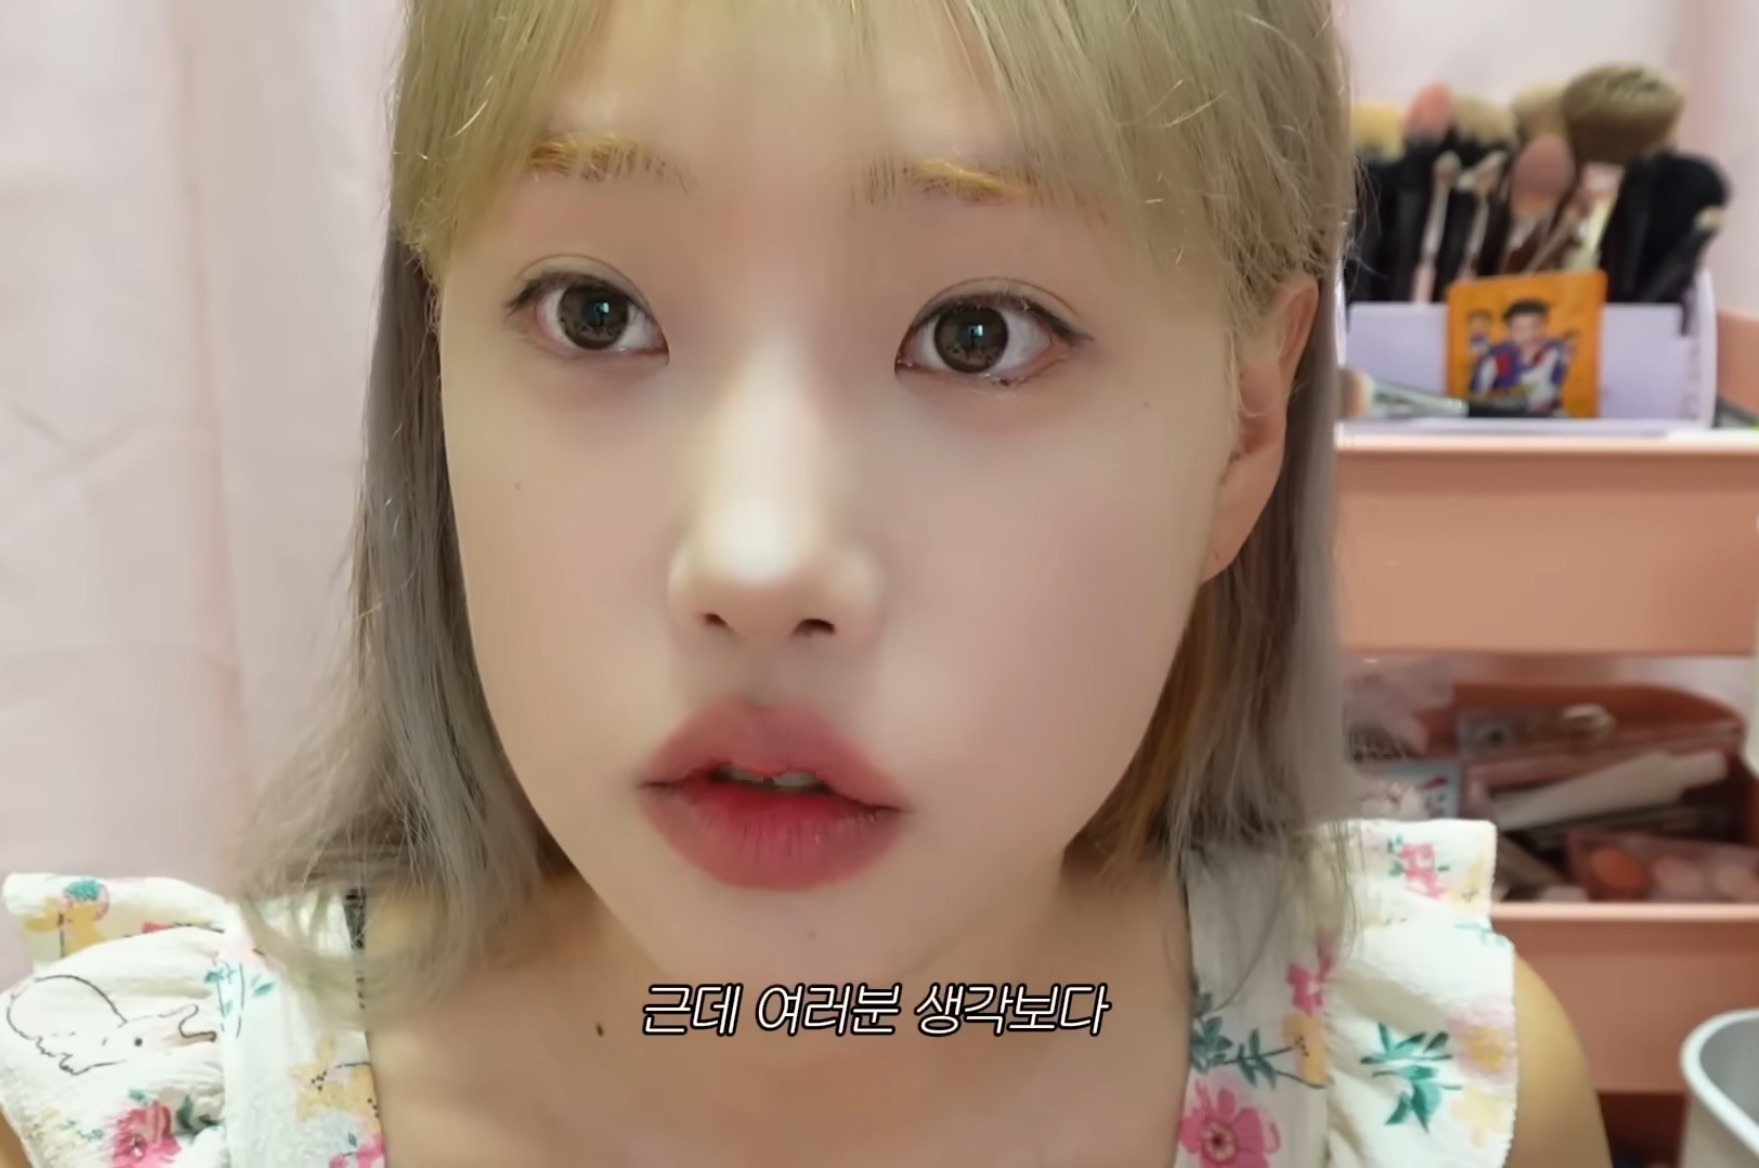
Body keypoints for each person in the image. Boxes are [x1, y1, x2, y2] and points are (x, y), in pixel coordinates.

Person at [1, 2, 1609, 1164]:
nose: (756, 565)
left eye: (977, 334)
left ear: (1244, 425)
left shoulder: (1427, 1106)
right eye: (591, 311)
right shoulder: (141, 1115)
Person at [1471, 299, 1569, 417]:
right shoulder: (1496, 357)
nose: (1529, 335)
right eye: (1519, 329)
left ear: (1545, 326)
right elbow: (1477, 396)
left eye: (1536, 326)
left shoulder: (1556, 352)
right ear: (1509, 332)